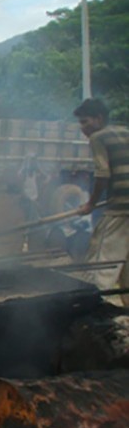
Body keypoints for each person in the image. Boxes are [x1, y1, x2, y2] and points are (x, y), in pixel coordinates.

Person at [73, 98, 129, 306]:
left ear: (99, 119)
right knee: (125, 262)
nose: (83, 128)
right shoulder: (125, 132)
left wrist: (90, 204)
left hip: (121, 207)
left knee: (101, 259)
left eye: (85, 122)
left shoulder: (98, 137)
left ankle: (92, 307)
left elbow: (102, 174)